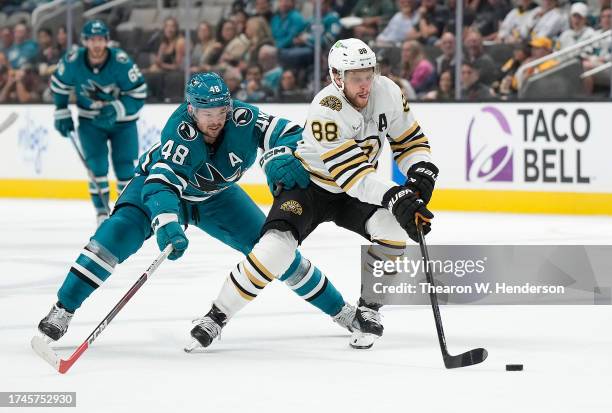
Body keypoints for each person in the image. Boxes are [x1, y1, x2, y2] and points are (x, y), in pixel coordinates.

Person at [37, 72, 356, 346]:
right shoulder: (179, 132)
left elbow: (293, 133)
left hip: (216, 197)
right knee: (114, 235)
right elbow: (162, 186)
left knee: (275, 249)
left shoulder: (243, 117)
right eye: (206, 112)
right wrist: (167, 225)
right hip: (159, 190)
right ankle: (64, 307)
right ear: (191, 109)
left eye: (221, 110)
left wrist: (283, 152)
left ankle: (340, 309)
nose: (215, 119)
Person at [192, 39, 438, 350]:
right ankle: (216, 316)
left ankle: (368, 310)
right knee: (274, 250)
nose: (364, 85)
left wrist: (421, 172)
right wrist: (397, 196)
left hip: (353, 191)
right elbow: (353, 176)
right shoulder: (326, 108)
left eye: (368, 74)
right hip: (311, 187)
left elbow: (410, 140)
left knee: (390, 229)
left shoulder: (387, 91)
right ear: (337, 77)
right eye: (355, 77)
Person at [50, 20, 147, 224]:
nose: (96, 44)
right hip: (91, 122)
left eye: (100, 39)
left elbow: (139, 92)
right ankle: (102, 213)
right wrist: (61, 110)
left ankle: (127, 211)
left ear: (107, 41)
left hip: (123, 124)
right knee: (96, 167)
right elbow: (59, 85)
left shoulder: (121, 61)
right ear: (85, 41)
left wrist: (116, 108)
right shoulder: (72, 61)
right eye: (92, 39)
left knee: (125, 169)